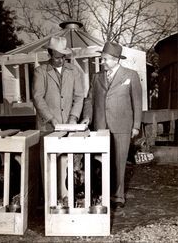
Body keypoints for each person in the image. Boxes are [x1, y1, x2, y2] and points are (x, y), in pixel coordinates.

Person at [81, 41, 142, 210]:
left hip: (122, 126)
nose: (102, 62)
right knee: (101, 163)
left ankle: (118, 196)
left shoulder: (131, 75)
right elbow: (89, 100)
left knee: (119, 162)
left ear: (116, 59)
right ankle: (102, 194)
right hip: (101, 126)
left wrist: (136, 125)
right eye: (102, 59)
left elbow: (137, 101)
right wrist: (87, 117)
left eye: (105, 59)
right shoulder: (96, 77)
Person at [32, 36, 84, 195]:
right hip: (47, 126)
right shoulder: (40, 71)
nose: (60, 60)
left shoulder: (74, 71)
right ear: (49, 54)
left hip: (69, 125)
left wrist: (73, 117)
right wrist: (51, 119)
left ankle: (67, 197)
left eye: (63, 57)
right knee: (48, 165)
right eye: (57, 57)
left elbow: (79, 96)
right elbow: (37, 97)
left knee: (68, 163)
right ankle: (49, 200)